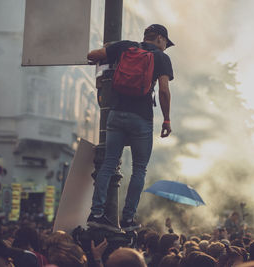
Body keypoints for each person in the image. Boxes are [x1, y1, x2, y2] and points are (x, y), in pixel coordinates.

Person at [86, 24, 175, 232]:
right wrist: (167, 120)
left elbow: (92, 55)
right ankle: (127, 219)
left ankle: (96, 213)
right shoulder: (162, 58)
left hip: (116, 114)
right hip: (141, 118)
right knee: (139, 169)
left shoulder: (125, 47)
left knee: (108, 164)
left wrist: (107, 52)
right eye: (165, 44)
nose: (165, 48)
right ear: (161, 39)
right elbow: (164, 91)